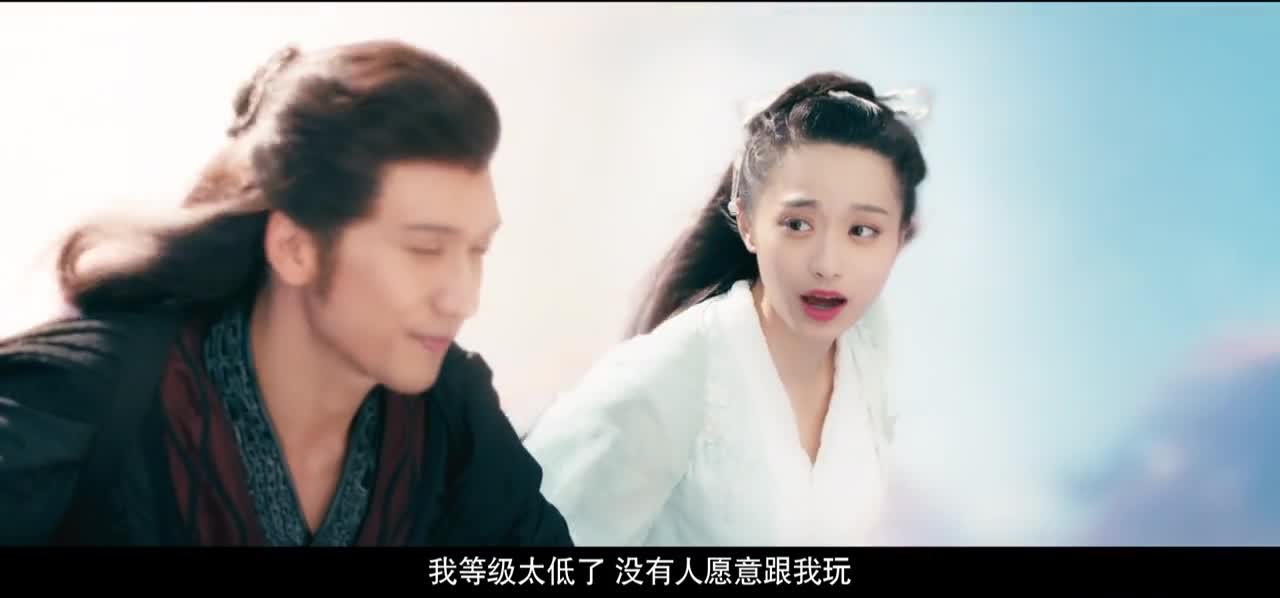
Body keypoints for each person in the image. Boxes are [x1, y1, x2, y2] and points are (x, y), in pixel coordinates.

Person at [0, 40, 571, 546]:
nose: (463, 300)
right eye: (425, 249)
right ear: (295, 248)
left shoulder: (450, 415)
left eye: (477, 250)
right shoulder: (81, 398)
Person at [523, 72, 928, 546]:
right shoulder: (669, 378)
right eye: (798, 224)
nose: (827, 264)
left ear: (902, 236)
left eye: (862, 231)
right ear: (748, 221)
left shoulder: (867, 347)